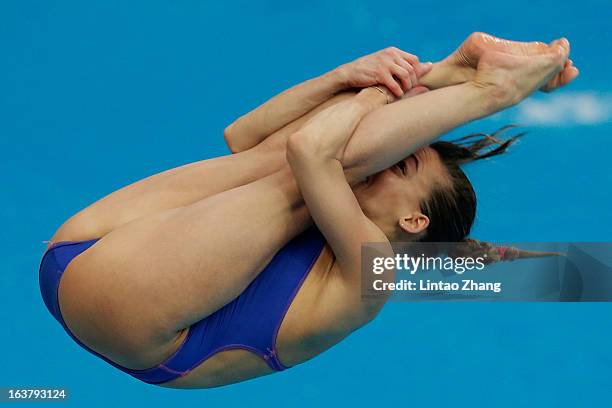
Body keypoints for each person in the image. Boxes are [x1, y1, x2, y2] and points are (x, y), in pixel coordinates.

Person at [39, 33, 578, 388]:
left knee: (314, 169)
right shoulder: (299, 209)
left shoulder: (375, 273)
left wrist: (384, 92)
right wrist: (343, 75)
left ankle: (490, 90)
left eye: (403, 166)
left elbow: (314, 152)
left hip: (132, 322)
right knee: (272, 158)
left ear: (415, 223)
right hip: (88, 247)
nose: (388, 161)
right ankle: (463, 76)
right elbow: (243, 135)